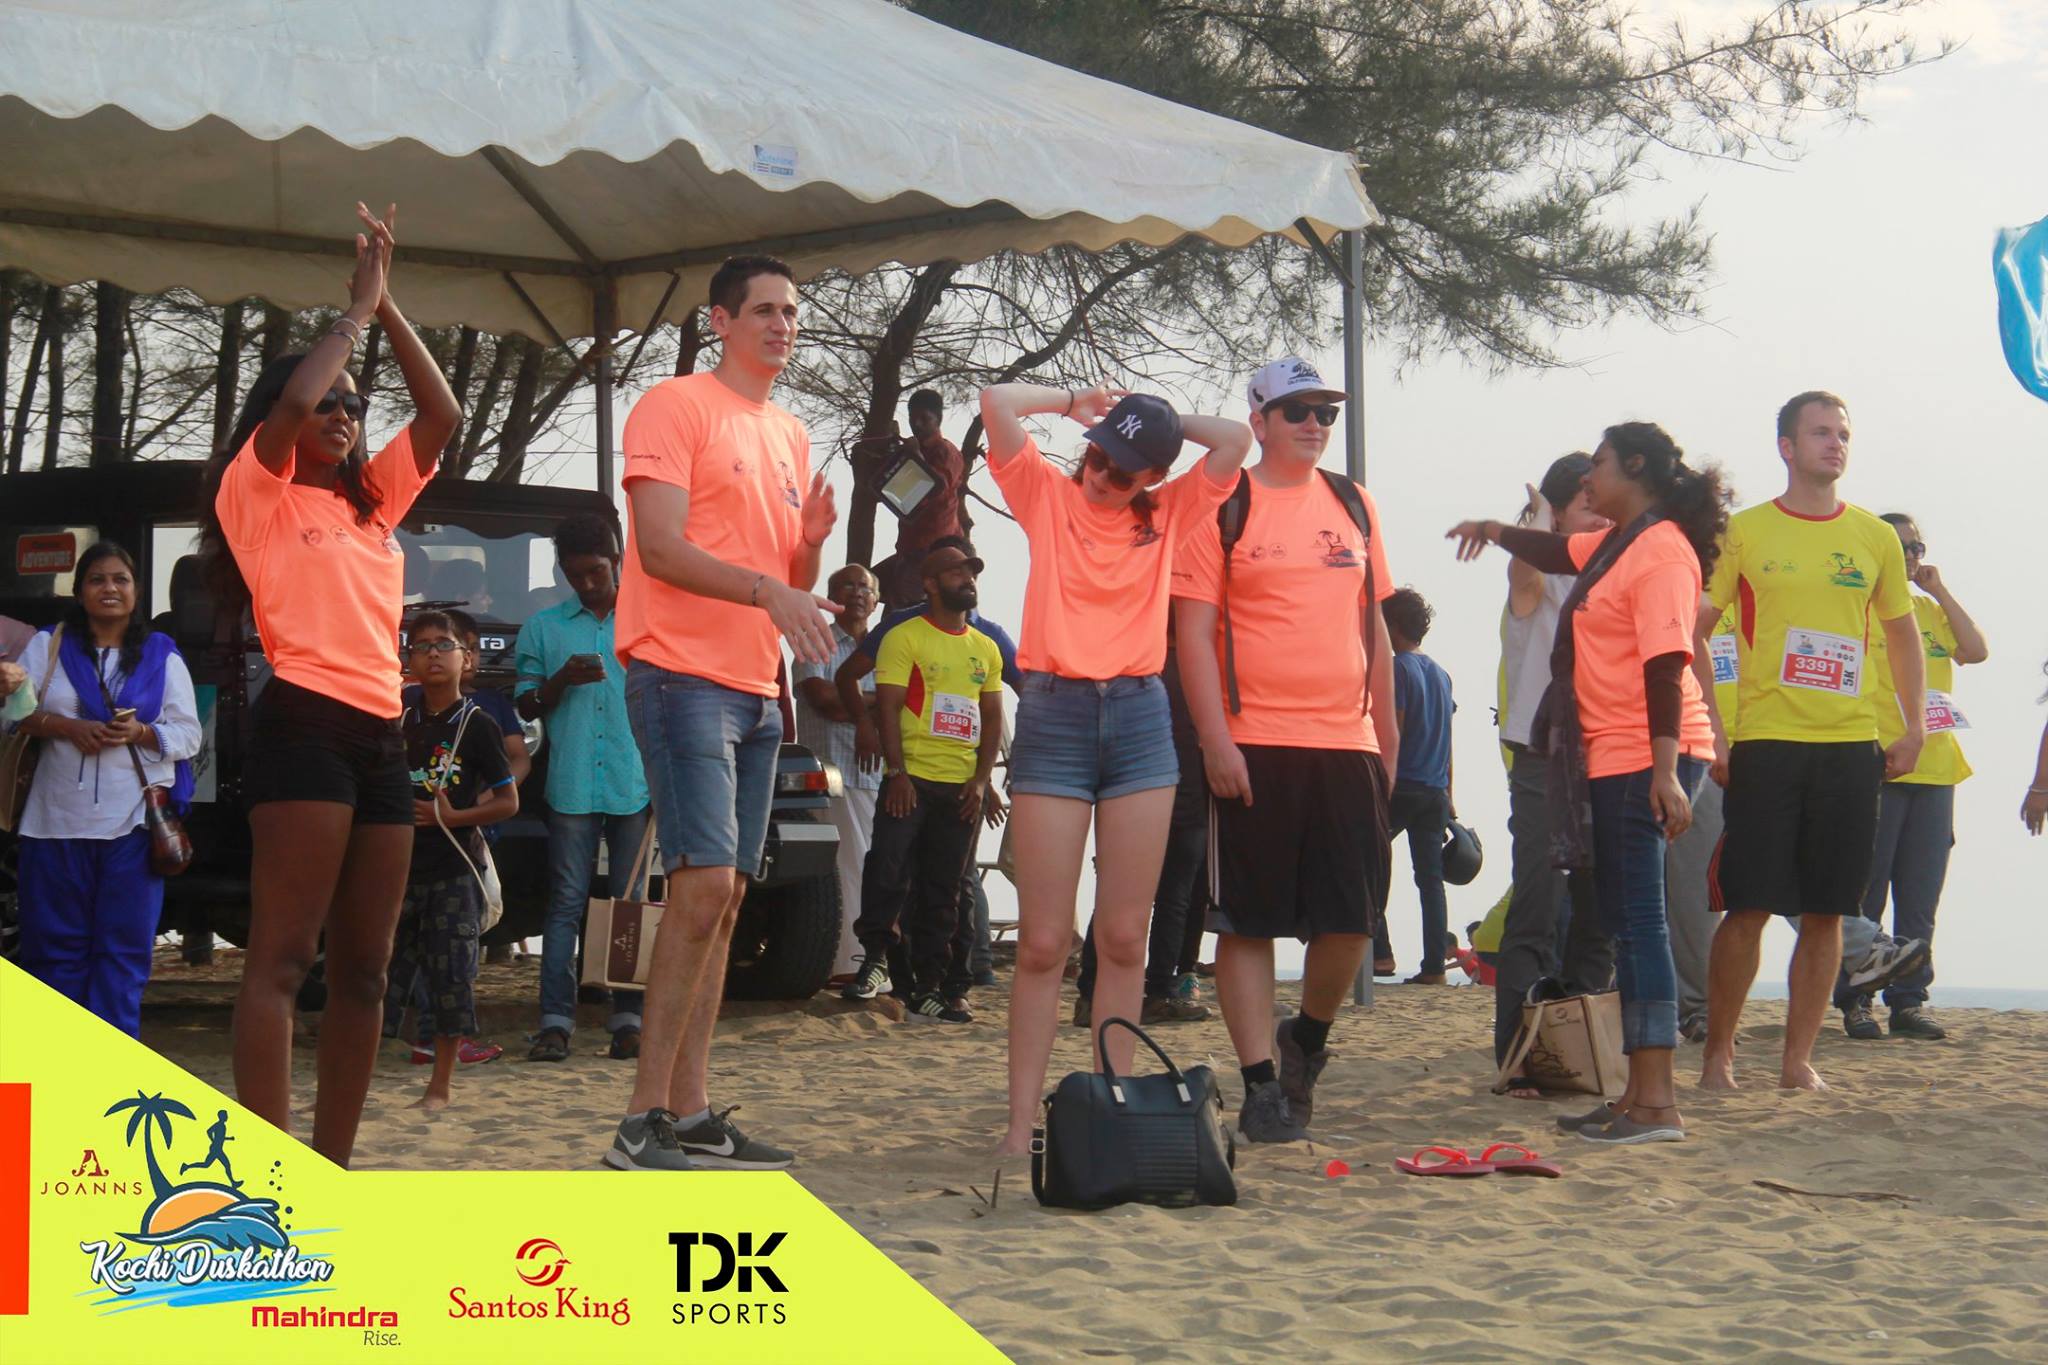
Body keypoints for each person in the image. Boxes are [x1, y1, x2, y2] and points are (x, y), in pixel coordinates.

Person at [200, 202, 461, 1164]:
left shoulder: (372, 505)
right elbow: (285, 411)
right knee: (281, 959)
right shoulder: (257, 495)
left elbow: (442, 416)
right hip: (304, 727)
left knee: (367, 970)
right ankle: (272, 1179)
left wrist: (387, 306)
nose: (345, 414)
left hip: (381, 734)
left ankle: (330, 1171)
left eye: (356, 405)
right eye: (330, 403)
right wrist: (351, 313)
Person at [607, 254, 838, 1171]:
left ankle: (693, 1111)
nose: (782, 324)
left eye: (792, 311)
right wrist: (768, 589)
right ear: (721, 322)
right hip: (679, 672)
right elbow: (660, 549)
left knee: (730, 894)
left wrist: (807, 551)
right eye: (765, 310)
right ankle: (641, 1119)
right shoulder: (675, 406)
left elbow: (789, 581)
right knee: (701, 885)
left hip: (755, 685)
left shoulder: (790, 431)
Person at [981, 381, 1252, 1156]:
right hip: (1054, 715)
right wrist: (1076, 404)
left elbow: (1234, 439)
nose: (1102, 476)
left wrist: (1159, 423)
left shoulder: (1170, 512)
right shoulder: (1047, 495)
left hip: (1138, 720)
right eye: (1099, 458)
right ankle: (1018, 1124)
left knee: (1126, 936)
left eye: (1124, 469)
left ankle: (1113, 1109)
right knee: (1043, 941)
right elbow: (996, 402)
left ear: (1153, 476)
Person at [1452, 421, 1729, 1142]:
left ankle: (1657, 1103)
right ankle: (1634, 1096)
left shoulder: (1660, 549)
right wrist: (1491, 529)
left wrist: (1665, 771)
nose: (1588, 478)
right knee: (1622, 919)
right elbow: (1552, 551)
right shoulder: (1617, 544)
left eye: (1598, 464)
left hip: (1649, 753)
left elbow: (1666, 664)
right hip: (1610, 755)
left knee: (1638, 923)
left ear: (1634, 466)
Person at [1173, 357, 1393, 1144]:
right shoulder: (1223, 504)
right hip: (1255, 740)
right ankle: (1262, 1083)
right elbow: (1192, 633)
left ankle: (1308, 1038)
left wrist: (1390, 739)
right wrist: (1215, 739)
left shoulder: (1354, 502)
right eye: (1298, 410)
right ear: (1259, 420)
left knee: (1354, 920)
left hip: (1347, 741)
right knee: (1248, 921)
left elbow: (1375, 630)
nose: (1314, 424)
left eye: (1325, 412)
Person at [1695, 391, 1925, 1092]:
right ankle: (1719, 1057)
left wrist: (1913, 724)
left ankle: (1798, 1060)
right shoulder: (1745, 532)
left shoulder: (1874, 536)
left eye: (1843, 433)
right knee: (1749, 907)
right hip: (1767, 744)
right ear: (1787, 447)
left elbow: (1903, 635)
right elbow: (1693, 631)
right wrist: (1715, 732)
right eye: (1821, 432)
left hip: (1851, 748)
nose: (1835, 444)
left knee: (1829, 911)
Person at [11, 543, 201, 1037]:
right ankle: (62, 1070)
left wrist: (142, 732)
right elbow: (13, 714)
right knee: (53, 958)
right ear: (79, 593)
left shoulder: (161, 654)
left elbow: (189, 736)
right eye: (97, 579)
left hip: (132, 827)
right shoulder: (49, 646)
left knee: (123, 957)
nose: (110, 589)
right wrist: (66, 727)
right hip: (54, 824)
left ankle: (110, 1070)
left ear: (136, 592)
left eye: (121, 579)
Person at [837, 535, 1023, 995]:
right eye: (958, 572)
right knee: (890, 869)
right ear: (931, 584)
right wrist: (871, 736)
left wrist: (984, 781)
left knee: (953, 885)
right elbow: (861, 686)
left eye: (972, 572)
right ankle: (881, 963)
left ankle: (952, 979)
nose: (969, 579)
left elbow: (996, 712)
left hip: (961, 785)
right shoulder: (901, 629)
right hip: (911, 778)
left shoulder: (990, 641)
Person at [1831, 513, 1987, 1042]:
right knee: (1865, 894)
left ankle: (1909, 1001)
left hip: (1935, 770)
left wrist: (1939, 590)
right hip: (1878, 766)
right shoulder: (1857, 609)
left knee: (1920, 899)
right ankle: (1856, 1001)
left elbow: (1975, 651)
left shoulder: (1928, 611)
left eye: (1917, 547)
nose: (1912, 556)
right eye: (1901, 548)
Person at [1489, 457, 1613, 1086]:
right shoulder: (1537, 577)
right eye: (1588, 504)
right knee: (1537, 907)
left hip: (1609, 755)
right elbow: (1524, 575)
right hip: (1543, 760)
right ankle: (1518, 1058)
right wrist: (1538, 516)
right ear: (1560, 511)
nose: (1602, 516)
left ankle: (1578, 1055)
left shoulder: (1618, 572)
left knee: (1598, 916)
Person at [514, 512, 653, 1062]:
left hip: (633, 781)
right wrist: (560, 681)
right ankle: (555, 1023)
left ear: (617, 560)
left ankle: (628, 1021)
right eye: (576, 575)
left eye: (596, 571)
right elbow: (525, 706)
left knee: (630, 905)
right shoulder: (543, 627)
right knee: (566, 902)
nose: (588, 583)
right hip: (571, 782)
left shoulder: (648, 621)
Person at [391, 612, 517, 1109]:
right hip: (395, 866)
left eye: (444, 645)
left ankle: (440, 1087)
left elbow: (507, 801)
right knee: (377, 977)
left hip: (453, 869)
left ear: (467, 659)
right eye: (421, 646)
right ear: (409, 660)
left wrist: (456, 815)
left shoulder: (478, 724)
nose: (433, 654)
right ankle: (354, 1076)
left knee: (451, 980)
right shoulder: (398, 715)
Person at [1072, 616, 1215, 1027]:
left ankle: (1092, 994)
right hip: (1182, 796)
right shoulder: (1197, 669)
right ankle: (1158, 992)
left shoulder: (1131, 665)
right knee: (1172, 899)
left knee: (1118, 897)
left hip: (1133, 794)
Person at [793, 563, 883, 981]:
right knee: (847, 868)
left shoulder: (887, 647)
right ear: (831, 597)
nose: (857, 592)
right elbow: (824, 699)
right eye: (847, 585)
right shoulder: (815, 639)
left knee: (875, 869)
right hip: (831, 776)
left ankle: (870, 962)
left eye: (865, 587)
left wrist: (858, 699)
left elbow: (905, 704)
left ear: (876, 600)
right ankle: (849, 964)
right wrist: (876, 702)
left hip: (880, 774)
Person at [1385, 587, 1457, 985]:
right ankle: (1434, 967)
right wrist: (1450, 794)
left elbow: (1394, 732)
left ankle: (1380, 954)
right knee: (1430, 880)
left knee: (1367, 860)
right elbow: (1448, 739)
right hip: (1434, 790)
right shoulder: (1441, 674)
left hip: (1403, 784)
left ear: (1392, 625)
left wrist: (1382, 781)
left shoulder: (1399, 668)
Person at [877, 389, 967, 608]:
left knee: (902, 610)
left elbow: (934, 490)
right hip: (908, 549)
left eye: (924, 419)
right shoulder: (908, 451)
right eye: (912, 418)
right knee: (865, 583)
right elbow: (887, 490)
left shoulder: (946, 452)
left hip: (933, 551)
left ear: (938, 419)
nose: (916, 424)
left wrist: (914, 455)